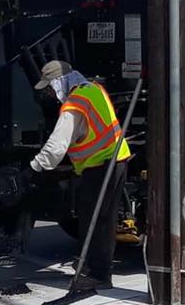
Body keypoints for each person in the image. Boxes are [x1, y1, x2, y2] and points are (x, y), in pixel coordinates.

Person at [26, 60, 131, 291]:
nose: (51, 93)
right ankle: (92, 266)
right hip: (116, 160)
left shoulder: (74, 105)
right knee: (100, 219)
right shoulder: (94, 89)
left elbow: (56, 146)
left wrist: (34, 167)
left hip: (102, 165)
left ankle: (99, 275)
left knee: (96, 221)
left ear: (60, 82)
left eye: (51, 87)